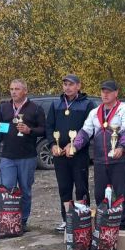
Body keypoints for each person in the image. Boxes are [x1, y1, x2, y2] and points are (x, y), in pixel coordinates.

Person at [72, 80, 125, 228]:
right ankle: (103, 222)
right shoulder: (95, 112)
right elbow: (85, 131)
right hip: (100, 160)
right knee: (99, 194)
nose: (105, 95)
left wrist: (122, 147)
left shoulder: (124, 110)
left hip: (119, 161)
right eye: (103, 92)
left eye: (108, 92)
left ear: (116, 93)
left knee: (121, 194)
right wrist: (75, 145)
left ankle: (122, 224)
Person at [46, 74, 95, 231]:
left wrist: (75, 146)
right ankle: (67, 219)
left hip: (79, 154)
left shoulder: (88, 104)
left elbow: (89, 129)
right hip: (60, 154)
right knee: (64, 187)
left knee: (81, 187)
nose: (67, 87)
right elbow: (49, 127)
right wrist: (53, 144)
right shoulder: (56, 104)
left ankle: (82, 219)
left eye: (71, 84)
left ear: (78, 86)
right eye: (65, 84)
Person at [0, 79, 46, 231]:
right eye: (11, 89)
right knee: (7, 189)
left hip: (27, 156)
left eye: (17, 89)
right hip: (8, 155)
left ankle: (22, 221)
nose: (13, 92)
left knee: (25, 190)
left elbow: (44, 130)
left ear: (25, 91)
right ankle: (7, 219)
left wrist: (29, 130)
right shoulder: (4, 108)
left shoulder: (36, 109)